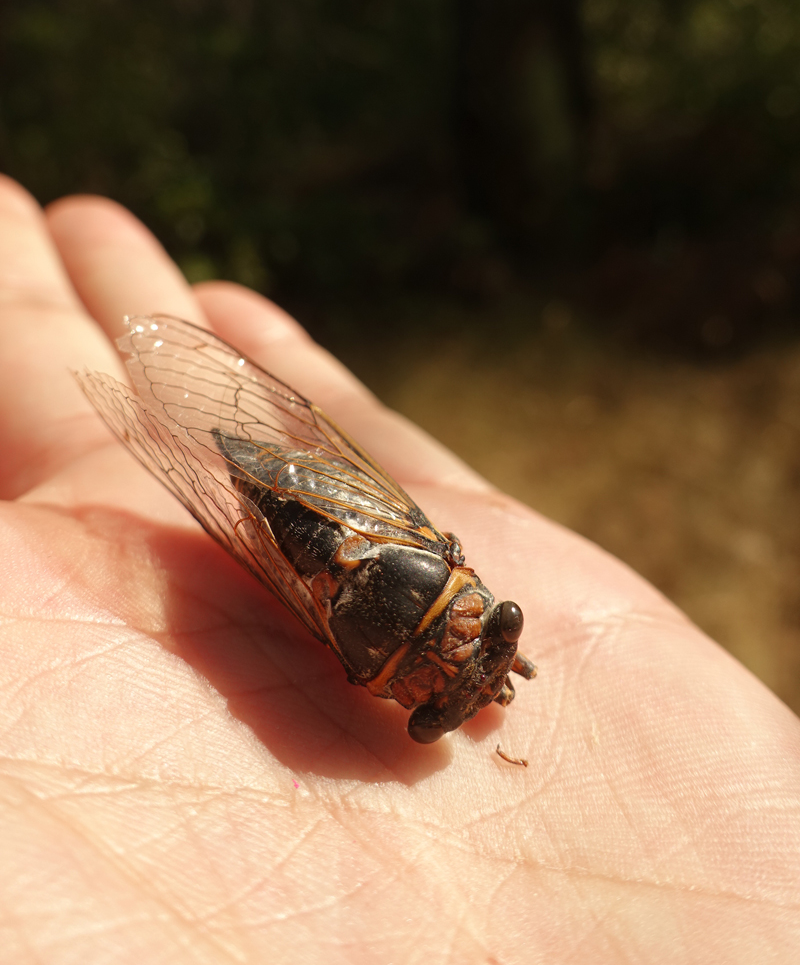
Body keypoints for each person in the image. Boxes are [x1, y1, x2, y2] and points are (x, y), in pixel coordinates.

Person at [0, 172, 798, 964]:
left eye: (437, 708)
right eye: (490, 642)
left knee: (260, 480)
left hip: (340, 534)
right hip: (317, 523)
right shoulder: (389, 671)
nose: (471, 676)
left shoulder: (447, 601)